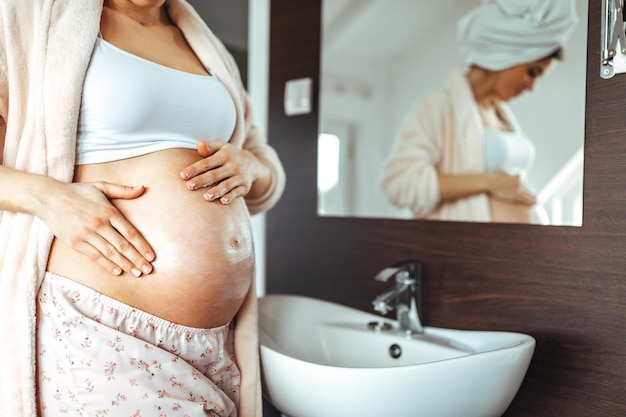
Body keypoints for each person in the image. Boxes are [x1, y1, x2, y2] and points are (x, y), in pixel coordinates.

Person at [0, 0, 285, 416]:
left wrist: (251, 165)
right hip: (98, 327)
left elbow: (265, 173)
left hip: (216, 342)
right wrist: (50, 198)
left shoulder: (207, 47)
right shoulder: (28, 14)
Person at [381, 0, 577, 224]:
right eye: (532, 72)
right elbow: (400, 183)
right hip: (468, 251)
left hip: (520, 253)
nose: (531, 87)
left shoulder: (500, 113)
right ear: (508, 53)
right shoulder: (436, 107)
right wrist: (490, 182)